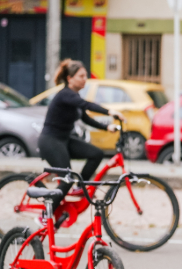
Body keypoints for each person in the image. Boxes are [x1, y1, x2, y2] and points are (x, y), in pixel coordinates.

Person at [38, 59, 123, 221]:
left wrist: (106, 128)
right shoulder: (65, 95)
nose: (85, 79)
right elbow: (87, 105)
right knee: (66, 179)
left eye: (85, 76)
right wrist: (110, 112)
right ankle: (45, 216)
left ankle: (79, 187)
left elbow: (86, 118)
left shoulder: (74, 97)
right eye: (81, 76)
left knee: (96, 154)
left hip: (64, 140)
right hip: (50, 141)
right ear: (70, 78)